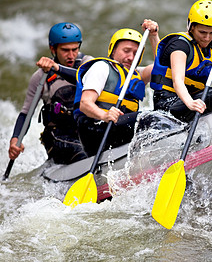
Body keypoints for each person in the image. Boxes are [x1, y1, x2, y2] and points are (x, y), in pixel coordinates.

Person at [8, 22, 93, 164]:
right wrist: (15, 139)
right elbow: (25, 114)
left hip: (85, 130)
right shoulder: (40, 77)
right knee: (82, 153)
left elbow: (83, 77)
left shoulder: (88, 63)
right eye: (65, 50)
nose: (71, 55)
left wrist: (57, 68)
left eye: (75, 49)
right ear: (53, 49)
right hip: (59, 138)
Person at [150, 0, 212, 123]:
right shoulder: (179, 46)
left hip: (191, 101)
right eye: (202, 32)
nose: (207, 38)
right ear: (191, 27)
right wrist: (190, 103)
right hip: (168, 106)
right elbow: (177, 81)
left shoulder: (210, 45)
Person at [73, 19, 159, 156]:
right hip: (96, 130)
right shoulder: (101, 67)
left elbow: (162, 67)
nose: (131, 57)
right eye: (126, 51)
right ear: (113, 51)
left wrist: (154, 36)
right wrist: (104, 115)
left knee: (161, 115)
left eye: (136, 53)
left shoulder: (138, 74)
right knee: (152, 118)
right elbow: (85, 103)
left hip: (118, 130)